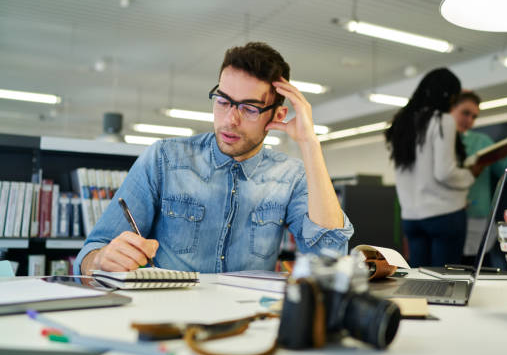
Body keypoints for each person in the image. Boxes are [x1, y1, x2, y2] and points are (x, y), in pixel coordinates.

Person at [75, 42, 354, 275]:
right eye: (223, 101)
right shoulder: (164, 159)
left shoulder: (290, 176)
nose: (230, 120)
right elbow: (89, 254)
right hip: (170, 321)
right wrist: (100, 260)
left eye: (249, 108)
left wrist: (310, 143)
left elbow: (328, 256)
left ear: (277, 115)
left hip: (249, 326)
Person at [385, 68, 483, 268]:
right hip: (444, 215)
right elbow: (444, 172)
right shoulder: (441, 120)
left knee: (419, 281)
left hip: (411, 217)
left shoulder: (401, 123)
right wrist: (470, 174)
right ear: (448, 95)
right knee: (444, 284)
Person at [450, 91, 507, 267]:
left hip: (478, 217)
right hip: (448, 215)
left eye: (474, 116)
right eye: (465, 113)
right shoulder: (441, 140)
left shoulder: (482, 141)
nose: (469, 120)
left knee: (477, 268)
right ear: (451, 109)